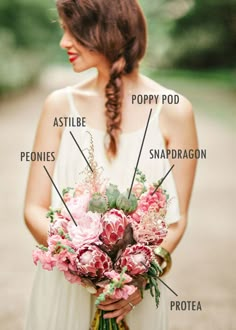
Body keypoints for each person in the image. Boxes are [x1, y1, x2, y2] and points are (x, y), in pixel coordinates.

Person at [24, 0, 198, 329]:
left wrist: (139, 278)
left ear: (105, 30)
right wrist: (81, 263)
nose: (63, 43)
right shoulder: (58, 105)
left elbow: (177, 219)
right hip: (65, 288)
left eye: (71, 30)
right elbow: (33, 206)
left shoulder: (175, 111)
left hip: (135, 299)